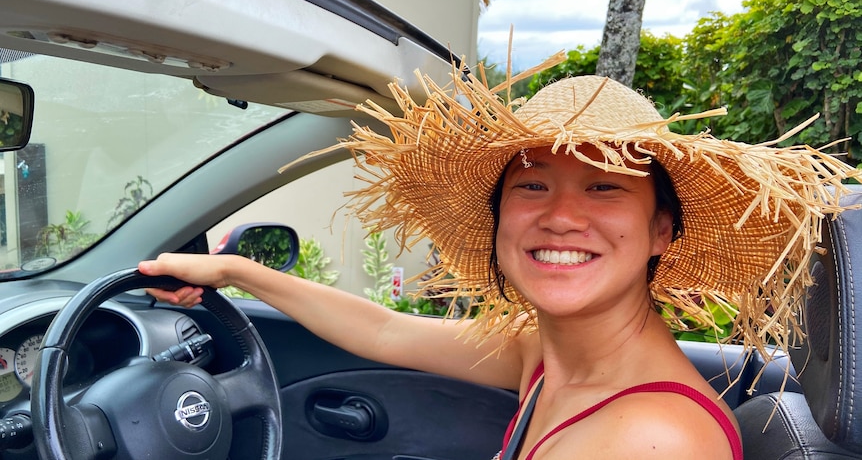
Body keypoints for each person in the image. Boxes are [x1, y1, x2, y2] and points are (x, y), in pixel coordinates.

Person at [139, 70, 860, 459]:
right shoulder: (547, 355)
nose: (561, 216)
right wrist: (234, 274)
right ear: (502, 218)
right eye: (532, 185)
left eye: (604, 186)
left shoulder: (652, 438)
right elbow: (388, 333)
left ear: (660, 230)